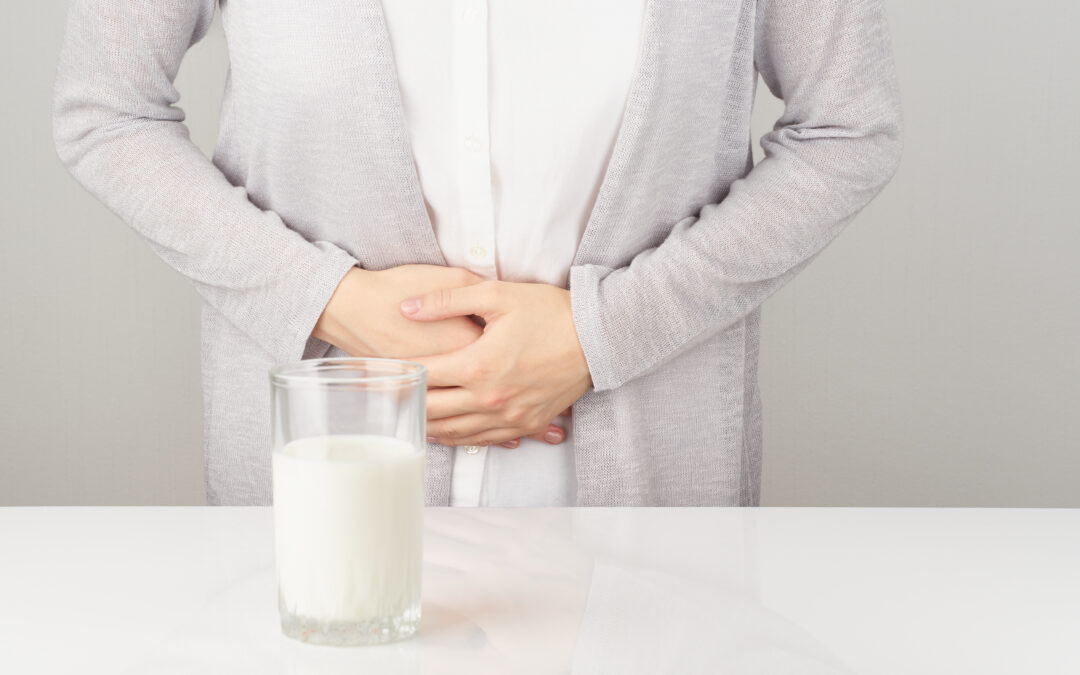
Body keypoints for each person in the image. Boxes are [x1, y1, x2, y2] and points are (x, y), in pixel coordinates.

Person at [52, 0, 902, 507]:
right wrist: (329, 300)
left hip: (654, 514)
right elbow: (106, 109)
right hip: (326, 514)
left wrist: (597, 335)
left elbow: (848, 128)